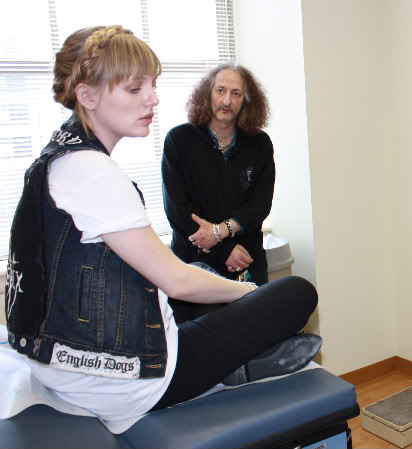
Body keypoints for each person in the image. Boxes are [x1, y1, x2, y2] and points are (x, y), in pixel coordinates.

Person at [3, 25, 319, 425]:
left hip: (62, 361)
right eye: (135, 88)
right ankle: (242, 361)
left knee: (201, 275)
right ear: (87, 95)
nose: (152, 98)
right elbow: (178, 281)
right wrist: (253, 294)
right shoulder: (94, 172)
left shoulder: (59, 156)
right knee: (296, 293)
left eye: (152, 86)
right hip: (128, 379)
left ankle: (242, 359)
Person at [161, 63, 274, 291]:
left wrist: (222, 231)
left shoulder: (259, 143)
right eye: (220, 90)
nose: (227, 101)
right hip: (195, 263)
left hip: (246, 260)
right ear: (207, 94)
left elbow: (260, 204)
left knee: (260, 315)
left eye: (236, 93)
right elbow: (177, 211)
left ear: (246, 101)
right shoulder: (179, 140)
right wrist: (223, 249)